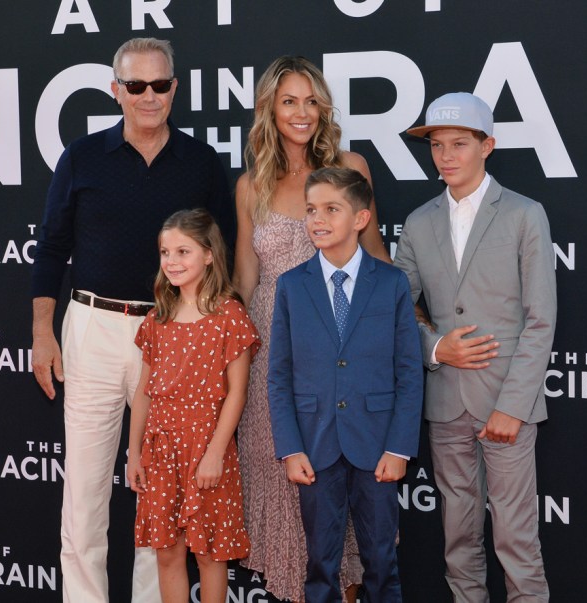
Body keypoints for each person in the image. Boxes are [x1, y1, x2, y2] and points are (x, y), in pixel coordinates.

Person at [30, 38, 235, 603]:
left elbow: (226, 254)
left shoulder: (201, 163)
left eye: (160, 85)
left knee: (162, 497)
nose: (149, 96)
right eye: (136, 85)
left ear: (175, 88)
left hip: (173, 338)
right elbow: (50, 250)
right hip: (93, 329)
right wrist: (43, 334)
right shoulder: (82, 157)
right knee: (87, 493)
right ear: (116, 91)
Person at [232, 55, 392, 602]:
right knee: (283, 484)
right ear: (269, 111)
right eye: (288, 101)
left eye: (311, 100)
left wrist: (415, 324)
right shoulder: (251, 185)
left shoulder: (351, 167)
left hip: (336, 357)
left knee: (336, 489)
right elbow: (245, 280)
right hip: (269, 361)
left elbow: (377, 261)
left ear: (323, 107)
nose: (302, 112)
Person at [394, 92, 557, 602]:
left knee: (516, 538)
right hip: (445, 403)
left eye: (459, 144)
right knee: (458, 538)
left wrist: (514, 405)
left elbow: (540, 320)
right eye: (438, 145)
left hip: (506, 404)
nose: (446, 155)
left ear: (487, 145)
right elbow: (399, 310)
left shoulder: (525, 215)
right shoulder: (419, 221)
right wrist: (437, 348)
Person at [268, 167, 423, 602]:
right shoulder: (291, 286)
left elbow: (409, 372)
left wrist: (398, 448)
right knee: (320, 563)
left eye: (331, 209)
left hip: (377, 446)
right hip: (314, 446)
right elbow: (279, 375)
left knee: (380, 560)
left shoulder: (391, 283)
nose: (318, 218)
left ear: (361, 218)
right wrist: (290, 446)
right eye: (311, 209)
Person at [127, 209, 259, 603]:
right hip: (161, 449)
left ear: (208, 255)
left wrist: (216, 451)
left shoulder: (229, 316)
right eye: (165, 252)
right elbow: (144, 392)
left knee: (209, 553)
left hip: (206, 447)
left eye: (183, 251)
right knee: (167, 553)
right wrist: (135, 453)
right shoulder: (157, 318)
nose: (172, 262)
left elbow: (238, 392)